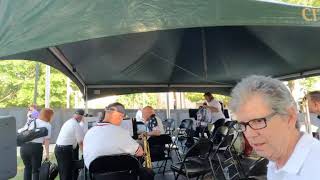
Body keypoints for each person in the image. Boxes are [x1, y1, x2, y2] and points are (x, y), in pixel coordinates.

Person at [229, 75, 320, 179]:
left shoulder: (315, 168)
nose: (249, 135)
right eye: (243, 125)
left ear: (289, 117)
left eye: (258, 121)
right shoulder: (274, 159)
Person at [83, 102, 153, 179]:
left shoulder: (89, 133)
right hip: (124, 176)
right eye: (122, 117)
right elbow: (139, 152)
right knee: (148, 172)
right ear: (119, 116)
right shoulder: (122, 132)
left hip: (98, 176)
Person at [19, 108, 53, 180]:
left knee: (27, 168)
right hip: (36, 148)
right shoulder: (47, 125)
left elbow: (23, 131)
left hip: (24, 147)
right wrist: (47, 154)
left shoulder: (31, 121)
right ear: (49, 116)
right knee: (36, 170)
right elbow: (46, 141)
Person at [55, 109, 85, 180]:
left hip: (59, 148)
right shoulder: (76, 124)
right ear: (81, 117)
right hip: (64, 150)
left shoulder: (69, 122)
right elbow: (80, 142)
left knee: (63, 172)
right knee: (67, 173)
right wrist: (85, 154)